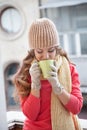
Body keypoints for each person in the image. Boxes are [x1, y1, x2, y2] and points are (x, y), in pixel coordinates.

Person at [13, 18, 83, 130]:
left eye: (50, 50)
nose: (45, 56)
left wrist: (57, 86)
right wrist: (35, 85)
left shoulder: (69, 70)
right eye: (39, 51)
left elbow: (76, 108)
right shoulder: (26, 72)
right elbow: (30, 115)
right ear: (33, 51)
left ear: (57, 49)